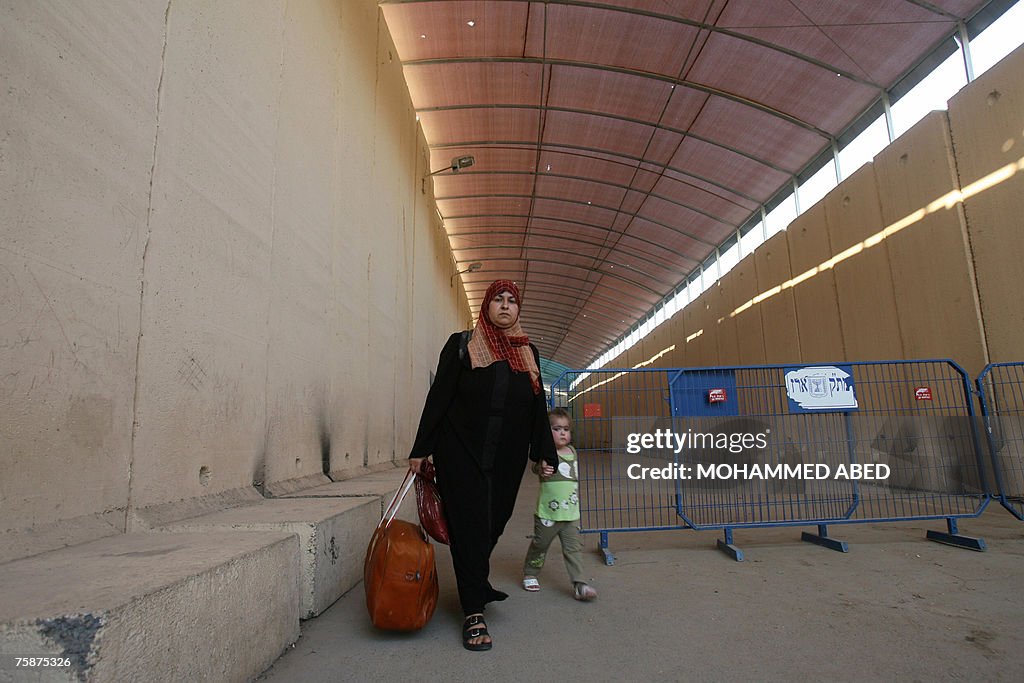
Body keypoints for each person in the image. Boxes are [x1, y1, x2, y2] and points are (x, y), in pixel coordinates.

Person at [408, 279, 558, 652]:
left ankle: (474, 577)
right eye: (498, 300)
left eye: (512, 301)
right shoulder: (462, 345)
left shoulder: (529, 352)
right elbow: (439, 395)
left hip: (506, 458)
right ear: (486, 306)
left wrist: (545, 454)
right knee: (469, 525)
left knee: (494, 521)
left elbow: (537, 407)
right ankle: (473, 610)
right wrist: (421, 447)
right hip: (460, 452)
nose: (505, 306)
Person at [521, 407, 597, 602]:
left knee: (573, 549)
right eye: (556, 429)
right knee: (540, 544)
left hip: (571, 514)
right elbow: (536, 468)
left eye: (566, 429)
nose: (563, 432)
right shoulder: (547, 454)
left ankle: (579, 584)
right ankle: (530, 572)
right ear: (547, 432)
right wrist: (541, 468)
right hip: (548, 514)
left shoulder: (572, 451)